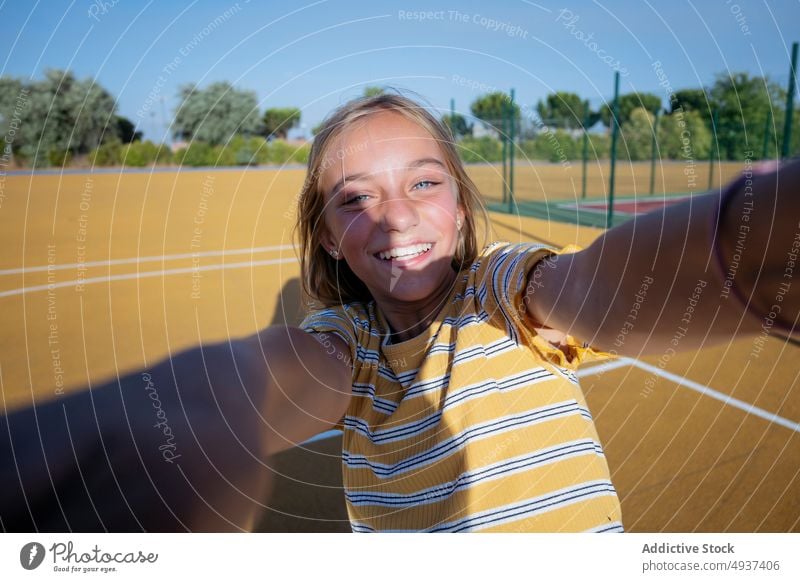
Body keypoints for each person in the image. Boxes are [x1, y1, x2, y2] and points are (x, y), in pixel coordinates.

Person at [1, 93, 797, 532]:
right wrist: (200, 406)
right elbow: (280, 375)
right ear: (326, 235)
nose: (397, 218)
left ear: (459, 202)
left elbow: (596, 286)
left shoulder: (502, 292)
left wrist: (742, 244)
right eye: (356, 199)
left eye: (423, 183)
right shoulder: (343, 344)